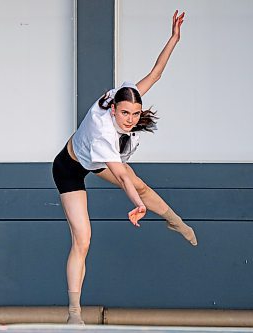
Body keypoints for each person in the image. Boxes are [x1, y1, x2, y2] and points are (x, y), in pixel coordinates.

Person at [52, 10, 197, 325]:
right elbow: (120, 174)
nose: (131, 120)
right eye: (125, 114)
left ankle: (174, 221)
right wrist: (136, 205)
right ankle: (74, 314)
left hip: (95, 159)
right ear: (113, 109)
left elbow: (155, 73)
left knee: (141, 185)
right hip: (69, 167)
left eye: (135, 113)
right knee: (84, 239)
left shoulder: (122, 97)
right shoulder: (104, 131)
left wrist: (173, 38)